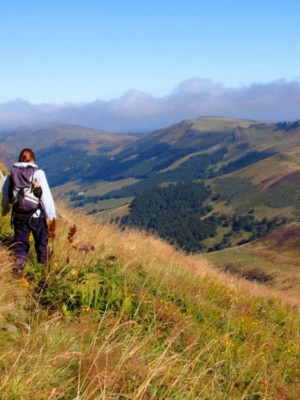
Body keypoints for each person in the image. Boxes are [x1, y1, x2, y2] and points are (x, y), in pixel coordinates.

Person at [1, 148, 56, 277]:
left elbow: (5, 197)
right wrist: (51, 216)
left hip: (19, 215)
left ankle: (18, 272)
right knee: (41, 244)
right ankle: (44, 273)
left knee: (20, 245)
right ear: (33, 160)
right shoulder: (38, 173)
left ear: (20, 159)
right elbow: (46, 197)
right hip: (36, 215)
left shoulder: (11, 174)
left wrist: (5, 211)